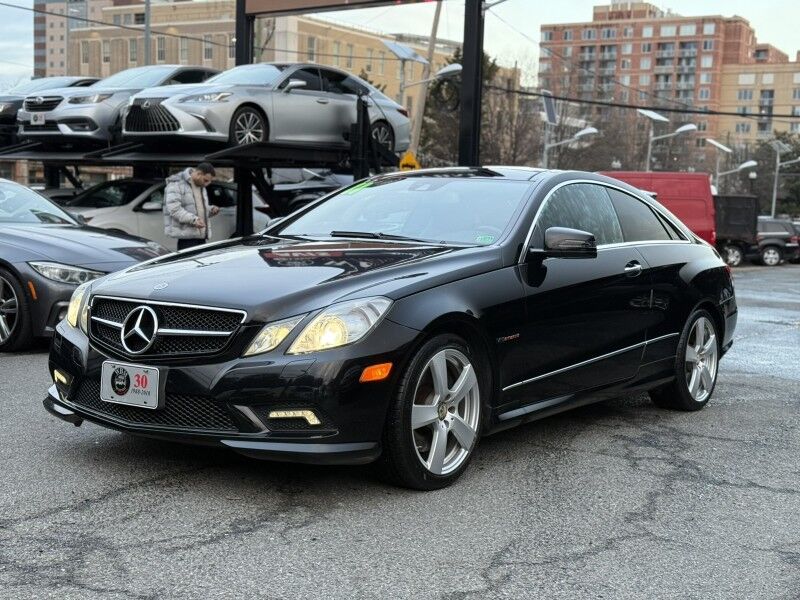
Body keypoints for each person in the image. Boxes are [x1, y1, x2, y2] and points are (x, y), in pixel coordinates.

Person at [163, 162, 220, 251]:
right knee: (187, 264)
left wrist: (210, 210)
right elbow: (174, 209)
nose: (207, 184)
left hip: (201, 236)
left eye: (209, 181)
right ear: (198, 174)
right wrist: (193, 220)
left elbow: (198, 209)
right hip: (186, 238)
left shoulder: (201, 186)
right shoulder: (176, 183)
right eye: (205, 180)